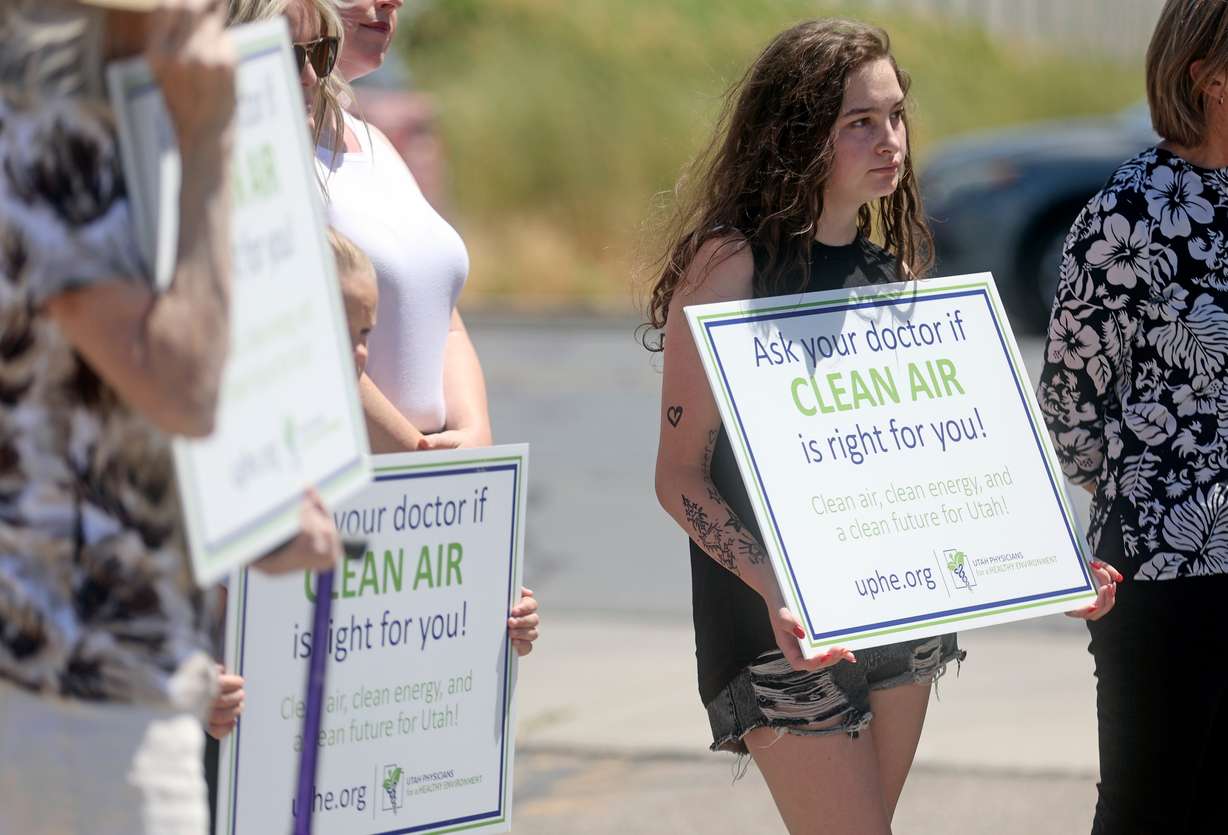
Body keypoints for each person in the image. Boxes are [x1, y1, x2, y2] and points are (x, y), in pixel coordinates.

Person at [648, 19, 1114, 834]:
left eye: (895, 114)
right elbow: (678, 474)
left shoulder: (891, 272)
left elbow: (951, 456)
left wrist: (1056, 563)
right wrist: (775, 587)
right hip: (776, 627)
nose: (890, 139)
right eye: (859, 121)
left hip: (904, 613)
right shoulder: (732, 264)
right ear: (797, 133)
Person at [0, 1, 342, 832]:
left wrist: (253, 509)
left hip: (101, 686)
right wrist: (209, 148)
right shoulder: (54, 127)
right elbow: (182, 385)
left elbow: (103, 418)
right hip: (73, 693)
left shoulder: (110, 116)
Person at [1038, 1, 1228, 831]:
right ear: (1208, 78)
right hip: (1162, 568)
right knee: (1150, 811)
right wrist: (1129, 490)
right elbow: (1070, 402)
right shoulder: (1128, 215)